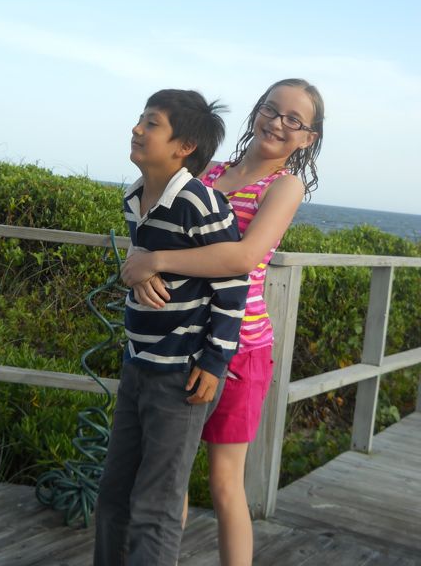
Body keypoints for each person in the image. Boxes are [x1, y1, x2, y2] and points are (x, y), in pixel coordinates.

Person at [121, 78, 324, 566]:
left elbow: (245, 257)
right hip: (182, 341)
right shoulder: (209, 172)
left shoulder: (285, 186)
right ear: (256, 111)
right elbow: (156, 225)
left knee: (224, 482)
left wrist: (155, 262)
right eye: (271, 110)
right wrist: (138, 263)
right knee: (169, 476)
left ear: (307, 138)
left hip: (241, 349)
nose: (277, 123)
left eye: (293, 120)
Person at [93, 89, 250, 566]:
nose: (137, 129)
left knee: (156, 507)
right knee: (114, 496)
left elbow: (233, 282)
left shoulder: (200, 202)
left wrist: (215, 362)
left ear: (184, 147)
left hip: (180, 375)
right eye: (140, 119)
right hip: (138, 362)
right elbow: (146, 264)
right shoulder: (135, 197)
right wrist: (140, 273)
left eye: (152, 123)